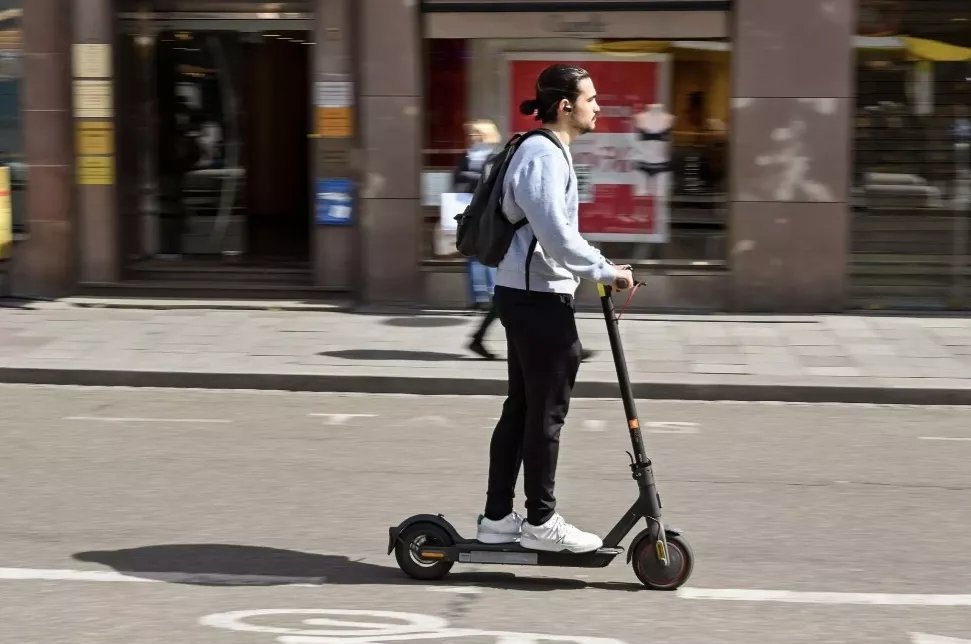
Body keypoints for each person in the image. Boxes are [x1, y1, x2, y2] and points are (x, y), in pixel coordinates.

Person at [475, 64, 634, 553]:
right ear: (565, 106)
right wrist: (606, 271)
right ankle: (541, 522)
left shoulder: (546, 151)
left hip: (527, 295)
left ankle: (498, 519)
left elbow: (556, 236)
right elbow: (557, 238)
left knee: (523, 409)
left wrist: (600, 265)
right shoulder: (542, 154)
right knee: (545, 414)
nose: (598, 107)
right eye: (591, 99)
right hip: (536, 299)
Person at [453, 120, 503, 360]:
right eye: (470, 134)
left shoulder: (495, 155)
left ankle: (480, 333)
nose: (472, 137)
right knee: (475, 256)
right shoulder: (469, 156)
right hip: (474, 216)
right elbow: (459, 179)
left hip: (488, 216)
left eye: (476, 133)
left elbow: (490, 182)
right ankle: (482, 298)